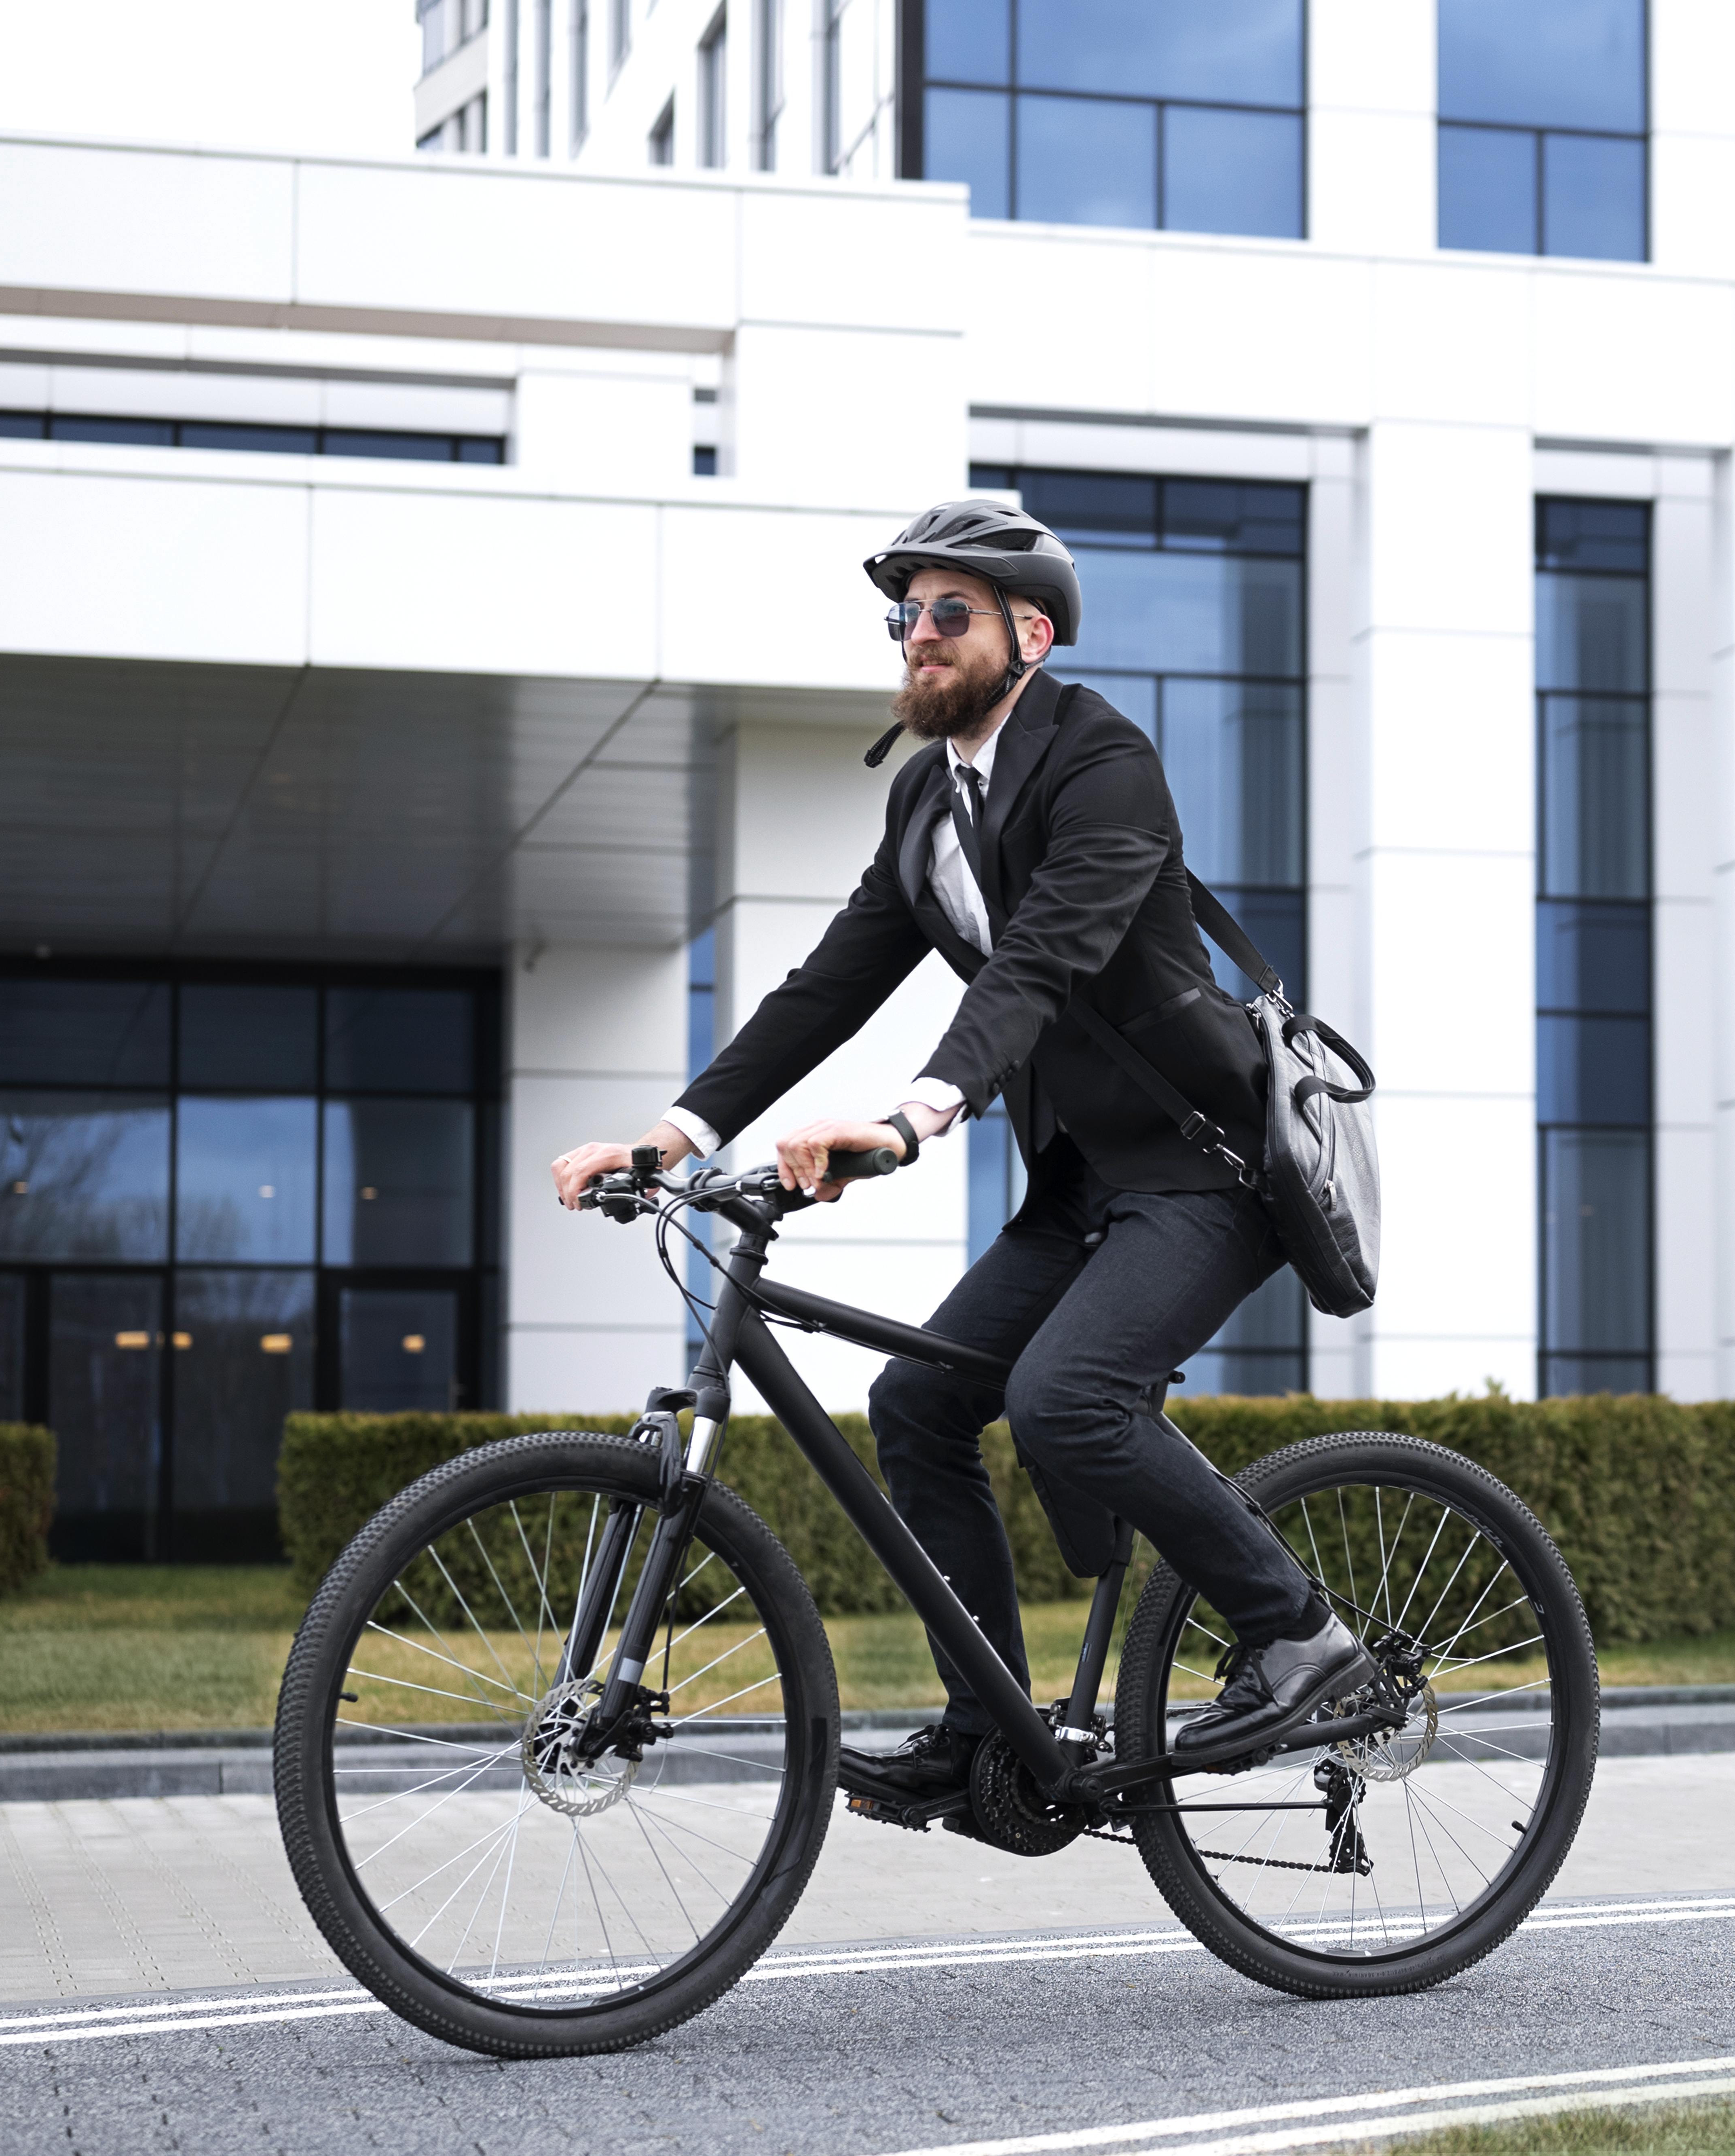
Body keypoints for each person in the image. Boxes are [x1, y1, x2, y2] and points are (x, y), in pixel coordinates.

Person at [548, 499, 1372, 1794]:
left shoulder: (1105, 760)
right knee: (920, 1406)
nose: (917, 638)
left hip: (1200, 1171)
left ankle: (1304, 1639)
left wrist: (912, 1115)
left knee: (1066, 1403)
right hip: (1081, 1185)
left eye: (948, 614)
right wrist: (672, 1134)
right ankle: (991, 1733)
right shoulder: (930, 796)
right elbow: (831, 984)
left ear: (1029, 634)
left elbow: (1042, 964)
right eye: (904, 615)